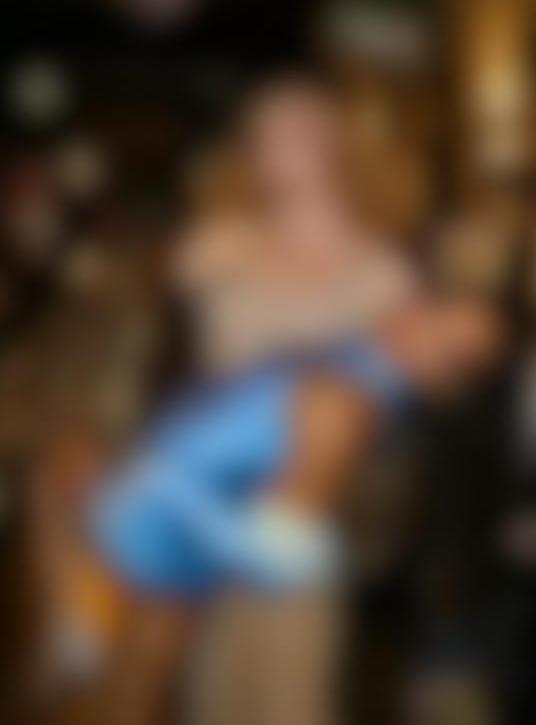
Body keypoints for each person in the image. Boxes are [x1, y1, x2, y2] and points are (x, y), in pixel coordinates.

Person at [89, 294, 502, 724]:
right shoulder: (348, 383)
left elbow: (289, 517)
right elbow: (285, 523)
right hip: (195, 540)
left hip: (209, 544)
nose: (432, 343)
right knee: (177, 682)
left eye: (456, 355)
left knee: (179, 682)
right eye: (439, 320)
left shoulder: (354, 380)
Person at [173, 74, 416, 723]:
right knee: (217, 692)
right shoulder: (215, 248)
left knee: (293, 694)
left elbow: (388, 404)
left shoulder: (382, 269)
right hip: (214, 500)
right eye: (266, 135)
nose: (282, 148)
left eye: (301, 130)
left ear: (338, 144)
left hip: (311, 507)